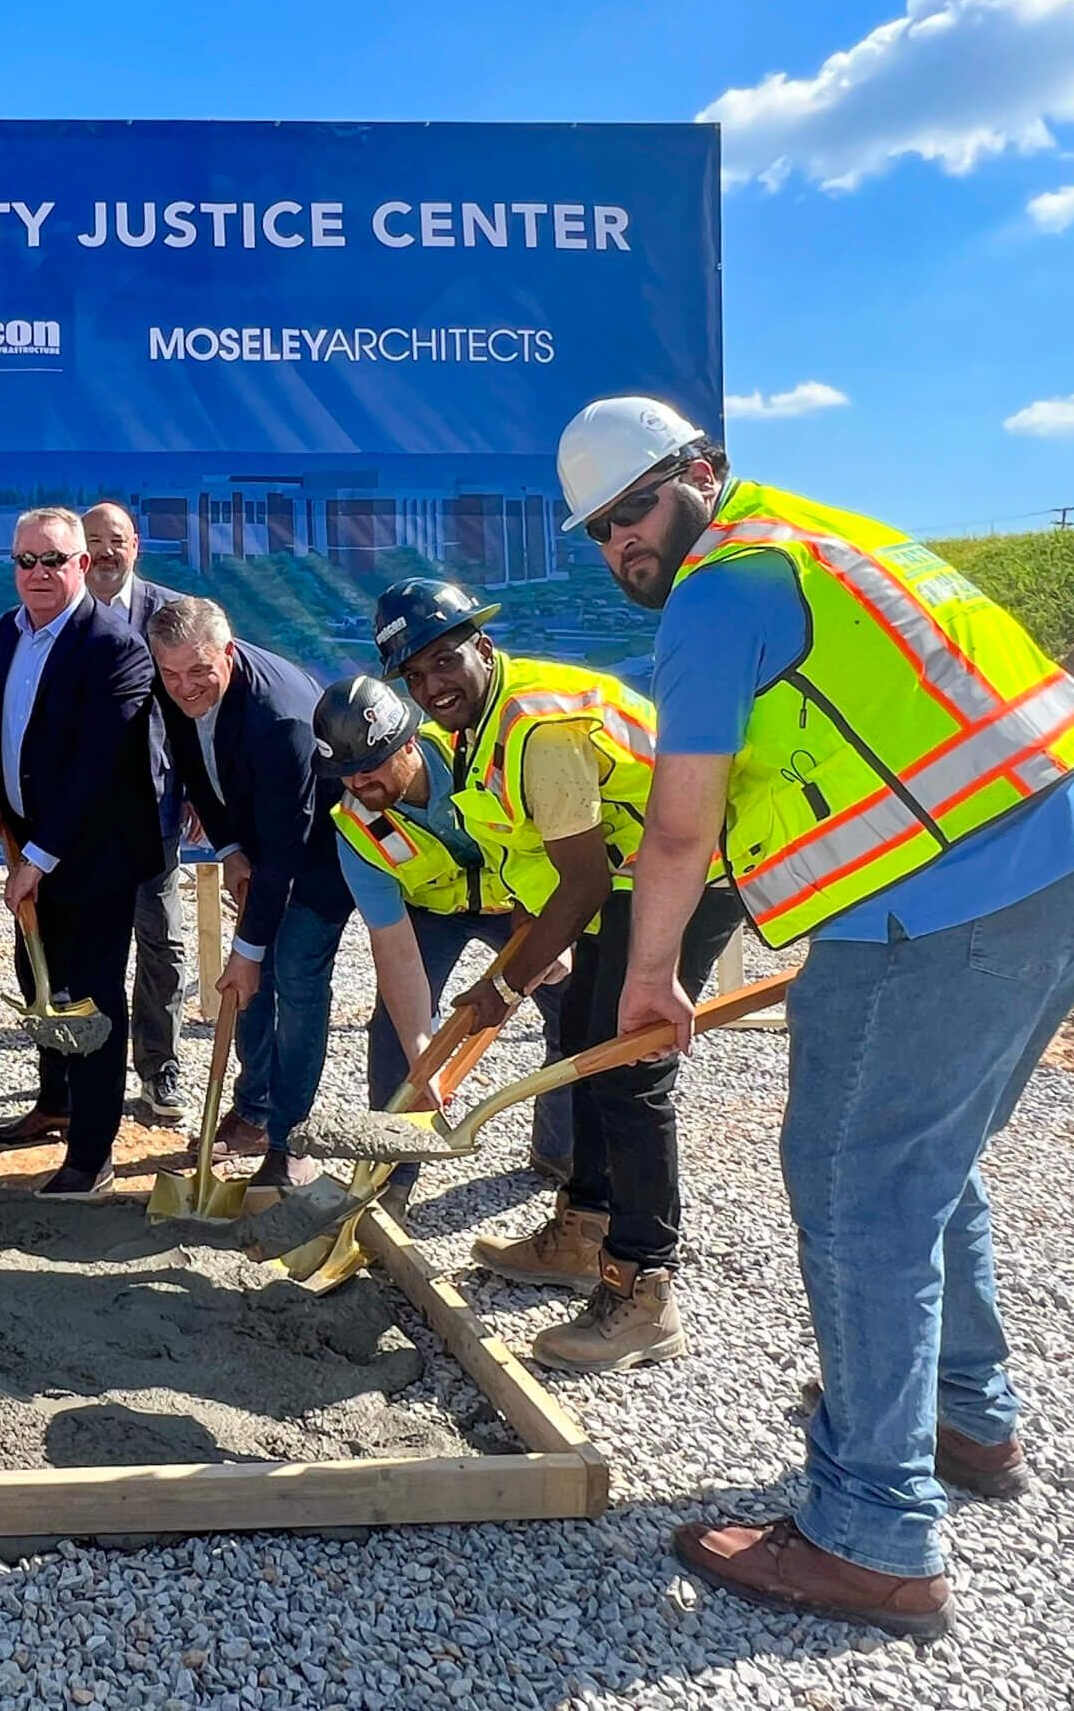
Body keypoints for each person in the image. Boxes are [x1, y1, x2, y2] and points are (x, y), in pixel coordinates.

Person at [561, 396, 1074, 1638]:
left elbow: (679, 827)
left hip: (951, 900)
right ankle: (962, 1416)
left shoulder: (719, 595)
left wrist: (651, 976)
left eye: (637, 511)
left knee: (852, 1183)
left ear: (699, 476)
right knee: (927, 1160)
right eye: (602, 532)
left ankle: (874, 1534)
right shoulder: (827, 540)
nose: (625, 547)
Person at [379, 576, 742, 1370]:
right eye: (415, 675)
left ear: (482, 645)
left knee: (630, 1067)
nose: (433, 684)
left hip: (689, 871)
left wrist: (505, 985)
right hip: (622, 877)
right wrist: (527, 951)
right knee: (577, 1042)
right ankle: (584, 1228)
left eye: (445, 660)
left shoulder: (537, 728)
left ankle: (642, 1289)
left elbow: (577, 883)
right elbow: (537, 859)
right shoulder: (472, 732)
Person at [308, 673, 569, 1211]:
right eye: (345, 774)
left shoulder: (480, 765)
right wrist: (422, 1057)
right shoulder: (356, 829)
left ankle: (561, 1153)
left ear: (408, 743)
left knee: (576, 1005)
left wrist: (553, 933)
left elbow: (553, 848)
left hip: (520, 900)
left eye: (369, 768)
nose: (358, 786)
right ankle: (389, 1183)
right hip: (434, 913)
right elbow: (393, 946)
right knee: (395, 1036)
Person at [0, 507, 162, 1195]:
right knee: (37, 982)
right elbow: (14, 721)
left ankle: (91, 1155)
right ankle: (55, 1103)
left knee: (88, 1000)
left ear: (82, 564)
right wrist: (4, 797)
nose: (38, 574)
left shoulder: (116, 647)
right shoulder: (10, 629)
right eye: (25, 561)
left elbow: (95, 767)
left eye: (53, 560)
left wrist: (39, 858)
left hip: (94, 857)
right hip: (31, 840)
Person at [145, 596, 351, 1189]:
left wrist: (249, 949)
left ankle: (293, 1136)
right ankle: (255, 1109)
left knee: (293, 976)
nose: (185, 688)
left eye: (199, 672)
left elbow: (289, 852)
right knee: (250, 989)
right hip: (257, 842)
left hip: (318, 858)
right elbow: (195, 769)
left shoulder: (280, 719)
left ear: (227, 653)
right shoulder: (175, 682)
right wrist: (231, 852)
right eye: (172, 674)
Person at [83, 501, 190, 1121]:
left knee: (164, 946)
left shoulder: (171, 615)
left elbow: (195, 710)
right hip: (79, 820)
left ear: (136, 545)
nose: (104, 551)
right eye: (92, 540)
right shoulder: (60, 613)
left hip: (155, 812)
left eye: (115, 540)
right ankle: (78, 1079)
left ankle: (160, 1070)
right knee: (87, 948)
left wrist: (201, 792)